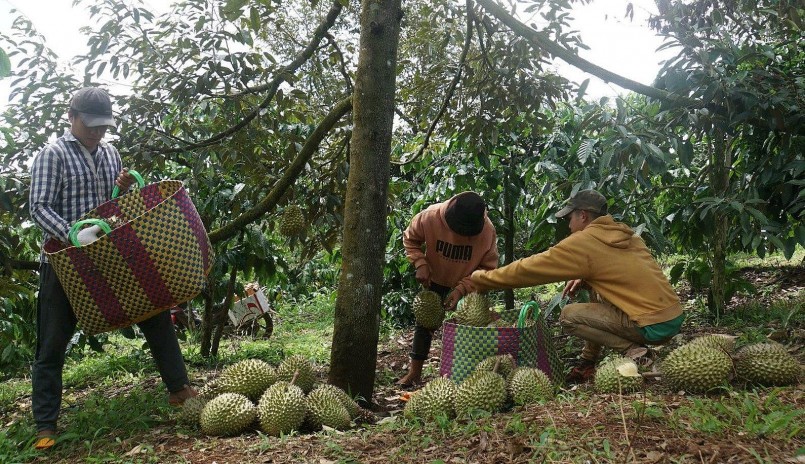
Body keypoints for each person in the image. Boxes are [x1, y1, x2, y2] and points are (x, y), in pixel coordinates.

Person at [28, 87, 197, 450]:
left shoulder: (110, 153)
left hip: (107, 256)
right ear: (71, 117)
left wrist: (124, 188)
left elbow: (111, 208)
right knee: (52, 341)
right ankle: (45, 424)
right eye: (90, 125)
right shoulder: (53, 155)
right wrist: (71, 233)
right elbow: (39, 207)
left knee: (153, 308)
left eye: (102, 126)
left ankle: (179, 389)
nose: (97, 132)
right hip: (64, 262)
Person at [470, 189, 684, 384]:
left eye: (569, 218)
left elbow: (530, 268)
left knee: (568, 316)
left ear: (583, 216)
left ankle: (638, 353)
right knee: (594, 291)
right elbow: (623, 272)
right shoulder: (626, 235)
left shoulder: (585, 241)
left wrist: (483, 278)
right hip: (672, 317)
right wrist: (585, 278)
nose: (569, 225)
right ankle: (587, 361)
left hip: (651, 325)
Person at [396, 191, 499, 388]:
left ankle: (471, 376)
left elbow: (487, 268)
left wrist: (461, 289)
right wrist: (420, 263)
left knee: (473, 327)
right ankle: (414, 372)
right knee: (424, 325)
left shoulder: (487, 232)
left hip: (469, 283)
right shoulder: (430, 217)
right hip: (435, 276)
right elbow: (410, 239)